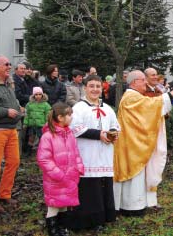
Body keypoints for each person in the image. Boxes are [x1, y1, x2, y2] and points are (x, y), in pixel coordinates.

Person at [113, 70, 173, 215]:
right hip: (132, 145)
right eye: (142, 80)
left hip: (136, 142)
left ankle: (138, 205)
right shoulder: (131, 97)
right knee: (134, 175)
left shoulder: (135, 96)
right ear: (133, 82)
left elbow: (149, 108)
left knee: (139, 176)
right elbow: (149, 106)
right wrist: (171, 94)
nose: (145, 82)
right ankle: (130, 207)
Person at [64, 75, 120, 230]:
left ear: (102, 89)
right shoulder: (78, 108)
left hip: (105, 154)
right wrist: (99, 134)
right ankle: (90, 221)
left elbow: (116, 125)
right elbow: (74, 128)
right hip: (87, 155)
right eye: (92, 86)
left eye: (98, 86)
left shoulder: (107, 108)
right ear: (85, 88)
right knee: (90, 190)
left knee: (104, 186)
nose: (95, 89)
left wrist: (113, 133)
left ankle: (104, 217)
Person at [37, 102, 84, 236]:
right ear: (60, 117)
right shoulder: (48, 137)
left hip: (70, 177)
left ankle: (62, 228)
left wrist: (79, 167)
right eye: (69, 115)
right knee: (54, 206)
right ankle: (52, 229)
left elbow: (76, 153)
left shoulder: (69, 134)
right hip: (55, 180)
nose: (71, 117)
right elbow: (44, 159)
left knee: (65, 203)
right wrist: (58, 174)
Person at [0, 55, 22, 213]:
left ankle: (5, 194)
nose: (9, 66)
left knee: (14, 162)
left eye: (10, 64)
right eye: (6, 64)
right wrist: (6, 111)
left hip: (12, 130)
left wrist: (18, 111)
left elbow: (13, 104)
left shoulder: (8, 85)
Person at [23, 87, 51, 157]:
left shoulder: (45, 105)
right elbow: (27, 114)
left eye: (39, 94)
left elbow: (48, 115)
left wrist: (47, 123)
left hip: (41, 125)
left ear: (42, 95)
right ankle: (28, 152)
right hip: (32, 124)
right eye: (36, 94)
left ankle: (43, 152)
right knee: (31, 138)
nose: (38, 96)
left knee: (42, 139)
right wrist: (25, 123)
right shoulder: (29, 104)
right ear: (33, 95)